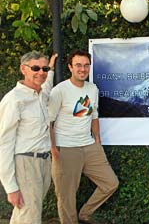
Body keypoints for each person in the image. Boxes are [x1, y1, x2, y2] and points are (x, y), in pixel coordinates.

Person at [49, 49, 119, 224]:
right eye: (78, 65)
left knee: (111, 183)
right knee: (66, 197)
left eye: (86, 65)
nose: (82, 69)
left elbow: (94, 116)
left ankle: (85, 214)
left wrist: (97, 141)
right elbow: (48, 122)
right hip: (66, 148)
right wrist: (53, 149)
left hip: (89, 146)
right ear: (70, 67)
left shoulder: (92, 89)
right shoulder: (60, 91)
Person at [0, 51, 57, 224]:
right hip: (25, 163)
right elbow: (4, 143)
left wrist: (51, 69)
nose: (41, 72)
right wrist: (10, 187)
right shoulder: (14, 100)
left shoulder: (42, 95)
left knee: (24, 215)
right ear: (23, 69)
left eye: (44, 68)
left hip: (43, 163)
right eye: (35, 68)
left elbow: (46, 85)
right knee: (30, 217)